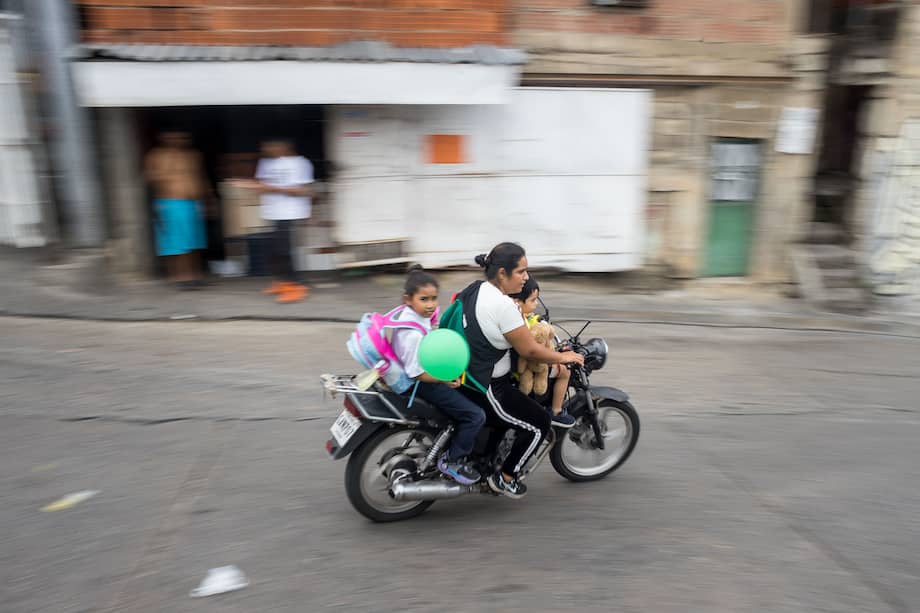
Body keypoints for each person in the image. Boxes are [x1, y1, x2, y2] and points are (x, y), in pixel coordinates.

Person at [453, 242, 584, 499]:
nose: (526, 277)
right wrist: (563, 356)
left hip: (467, 370)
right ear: (502, 273)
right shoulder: (504, 306)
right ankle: (505, 477)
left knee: (517, 414)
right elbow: (531, 351)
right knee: (539, 423)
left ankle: (488, 455)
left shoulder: (476, 289)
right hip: (488, 385)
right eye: (521, 271)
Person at [391, 267, 485, 485]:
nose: (431, 305)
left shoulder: (409, 316)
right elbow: (418, 374)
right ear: (408, 298)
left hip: (418, 375)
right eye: (424, 299)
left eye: (433, 298)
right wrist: (444, 379)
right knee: (475, 415)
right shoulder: (412, 333)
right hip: (419, 384)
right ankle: (453, 460)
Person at [236, 139, 314, 303]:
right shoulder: (266, 163)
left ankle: (297, 286)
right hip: (272, 212)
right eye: (265, 146)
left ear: (284, 145)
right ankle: (282, 283)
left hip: (291, 213)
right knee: (274, 252)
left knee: (285, 252)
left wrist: (267, 188)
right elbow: (262, 185)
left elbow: (302, 191)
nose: (266, 148)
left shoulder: (300, 163)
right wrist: (251, 186)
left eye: (270, 145)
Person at [144, 130, 211, 288]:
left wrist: (209, 200)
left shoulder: (194, 155)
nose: (178, 140)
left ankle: (195, 275)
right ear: (163, 137)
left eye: (182, 137)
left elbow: (202, 177)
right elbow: (149, 178)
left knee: (194, 241)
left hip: (194, 203)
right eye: (173, 136)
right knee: (176, 242)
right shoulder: (156, 155)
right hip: (171, 202)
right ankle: (180, 277)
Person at [510, 276, 575, 428]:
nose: (536, 303)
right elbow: (533, 350)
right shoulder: (521, 322)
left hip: (518, 367)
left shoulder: (520, 317)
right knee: (565, 372)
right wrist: (560, 357)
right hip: (531, 366)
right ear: (519, 302)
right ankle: (556, 411)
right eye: (532, 300)